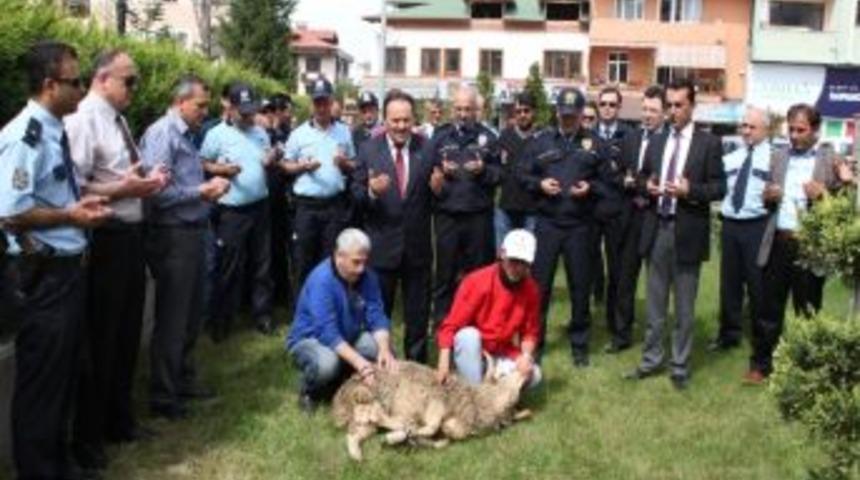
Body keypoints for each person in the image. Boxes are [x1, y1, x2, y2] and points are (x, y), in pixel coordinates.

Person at [0, 40, 113, 480]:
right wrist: (70, 214)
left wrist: (78, 204)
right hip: (42, 278)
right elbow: (10, 212)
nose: (83, 90)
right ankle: (40, 470)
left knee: (64, 374)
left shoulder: (52, 128)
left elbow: (47, 195)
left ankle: (59, 462)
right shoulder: (24, 136)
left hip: (66, 273)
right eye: (75, 82)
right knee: (42, 382)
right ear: (50, 85)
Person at [64, 48, 167, 473]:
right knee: (101, 341)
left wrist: (144, 180)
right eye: (129, 80)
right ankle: (88, 440)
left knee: (125, 337)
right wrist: (126, 191)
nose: (134, 88)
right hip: (103, 240)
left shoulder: (118, 119)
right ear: (102, 78)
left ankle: (119, 422)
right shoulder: (82, 119)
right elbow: (74, 187)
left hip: (129, 237)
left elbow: (116, 177)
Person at [625, 78, 726, 390]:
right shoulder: (657, 140)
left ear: (692, 106)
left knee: (683, 307)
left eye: (678, 105)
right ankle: (651, 360)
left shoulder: (708, 143)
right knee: (655, 306)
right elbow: (640, 177)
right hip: (657, 228)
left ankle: (679, 365)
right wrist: (648, 186)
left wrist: (690, 190)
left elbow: (719, 187)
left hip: (687, 232)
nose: (672, 111)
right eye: (669, 105)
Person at [140, 74, 231, 419]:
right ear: (180, 102)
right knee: (174, 318)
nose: (204, 112)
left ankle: (182, 379)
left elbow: (182, 181)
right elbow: (156, 192)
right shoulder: (163, 134)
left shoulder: (187, 135)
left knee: (192, 313)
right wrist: (201, 192)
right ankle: (164, 396)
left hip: (194, 231)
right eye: (200, 105)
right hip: (173, 235)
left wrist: (209, 186)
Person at [750, 103, 853, 383]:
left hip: (809, 246)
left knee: (807, 310)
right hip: (778, 242)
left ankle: (809, 369)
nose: (794, 135)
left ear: (816, 131)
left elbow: (845, 203)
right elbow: (765, 196)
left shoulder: (830, 159)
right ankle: (761, 365)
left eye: (800, 130)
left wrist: (824, 195)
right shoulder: (779, 156)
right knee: (768, 309)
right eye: (791, 129)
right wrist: (768, 196)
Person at [519, 87, 603, 367]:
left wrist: (590, 187)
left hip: (580, 226)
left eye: (573, 116)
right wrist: (539, 184)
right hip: (548, 224)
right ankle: (536, 343)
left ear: (582, 115)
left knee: (580, 288)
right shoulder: (540, 141)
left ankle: (579, 346)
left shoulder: (594, 143)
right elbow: (521, 175)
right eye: (564, 115)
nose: (568, 120)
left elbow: (609, 183)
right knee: (539, 288)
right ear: (557, 113)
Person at [352, 90, 434, 362]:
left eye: (406, 120)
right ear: (384, 120)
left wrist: (440, 189)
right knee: (378, 314)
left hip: (417, 249)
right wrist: (371, 192)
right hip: (382, 249)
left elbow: (437, 195)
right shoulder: (368, 150)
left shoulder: (427, 147)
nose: (401, 126)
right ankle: (380, 367)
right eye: (395, 120)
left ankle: (417, 369)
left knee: (418, 315)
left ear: (414, 120)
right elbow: (354, 195)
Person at [286, 228, 398, 411]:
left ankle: (345, 377)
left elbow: (376, 316)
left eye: (364, 261)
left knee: (386, 354)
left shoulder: (367, 276)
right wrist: (360, 363)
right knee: (328, 365)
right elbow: (327, 333)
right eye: (356, 262)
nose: (361, 268)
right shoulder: (322, 281)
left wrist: (384, 350)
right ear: (339, 256)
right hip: (311, 339)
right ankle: (308, 389)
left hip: (348, 335)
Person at [200, 83, 278, 339]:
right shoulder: (215, 134)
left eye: (251, 111)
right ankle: (222, 320)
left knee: (262, 265)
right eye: (242, 112)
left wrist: (270, 160)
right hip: (231, 211)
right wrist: (221, 170)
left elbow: (266, 158)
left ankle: (262, 315)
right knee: (229, 266)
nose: (247, 117)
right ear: (230, 108)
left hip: (259, 206)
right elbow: (203, 163)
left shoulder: (260, 132)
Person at [428, 85, 502, 325]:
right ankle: (442, 324)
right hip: (447, 216)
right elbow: (427, 170)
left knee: (479, 274)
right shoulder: (439, 136)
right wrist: (438, 173)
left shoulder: (489, 138)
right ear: (452, 109)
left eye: (467, 109)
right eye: (458, 109)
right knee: (444, 274)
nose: (462, 114)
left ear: (476, 110)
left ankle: (478, 324)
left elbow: (500, 175)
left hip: (477, 217)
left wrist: (483, 171)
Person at [435, 229, 542, 388]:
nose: (517, 267)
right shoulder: (477, 282)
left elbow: (530, 333)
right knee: (468, 336)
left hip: (502, 352)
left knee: (535, 375)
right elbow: (450, 326)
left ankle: (494, 390)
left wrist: (526, 357)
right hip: (474, 351)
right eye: (513, 260)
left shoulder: (532, 290)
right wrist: (443, 363)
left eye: (523, 263)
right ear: (502, 254)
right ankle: (476, 392)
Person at [281, 78, 357, 287]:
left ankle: (327, 307)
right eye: (317, 102)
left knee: (330, 261)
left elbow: (354, 163)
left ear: (332, 102)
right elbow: (285, 166)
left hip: (334, 206)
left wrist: (344, 163)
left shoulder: (343, 131)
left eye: (325, 102)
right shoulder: (298, 134)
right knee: (303, 260)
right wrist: (302, 167)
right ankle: (303, 312)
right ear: (311, 104)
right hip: (306, 207)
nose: (321, 107)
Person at [709, 107, 772, 355]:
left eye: (751, 127)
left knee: (758, 286)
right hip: (731, 225)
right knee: (730, 283)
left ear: (766, 129)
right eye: (743, 126)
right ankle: (729, 335)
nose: (746, 131)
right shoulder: (732, 157)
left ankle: (760, 339)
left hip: (757, 226)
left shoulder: (774, 159)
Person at [611, 85, 666, 353]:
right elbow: (618, 173)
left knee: (656, 282)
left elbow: (662, 179)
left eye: (653, 111)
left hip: (657, 217)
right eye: (644, 109)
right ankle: (622, 334)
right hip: (630, 216)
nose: (647, 115)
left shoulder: (670, 141)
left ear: (664, 113)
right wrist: (624, 179)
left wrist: (640, 184)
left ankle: (655, 337)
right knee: (625, 277)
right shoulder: (630, 138)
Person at [591, 86, 632, 314]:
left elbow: (632, 170)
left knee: (616, 265)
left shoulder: (628, 135)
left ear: (619, 107)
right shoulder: (588, 134)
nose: (607, 109)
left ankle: (612, 313)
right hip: (591, 208)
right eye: (603, 104)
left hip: (617, 210)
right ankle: (590, 305)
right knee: (587, 261)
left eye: (612, 104)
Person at [494, 92, 539, 248]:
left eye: (526, 111)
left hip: (532, 210)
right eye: (518, 111)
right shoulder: (504, 137)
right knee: (504, 256)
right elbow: (496, 167)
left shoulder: (542, 139)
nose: (522, 115)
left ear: (534, 112)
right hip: (505, 208)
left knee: (528, 259)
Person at [265, 93, 295, 308]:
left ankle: (283, 294)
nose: (290, 113)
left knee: (282, 248)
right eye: (286, 109)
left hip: (283, 198)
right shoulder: (262, 134)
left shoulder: (288, 133)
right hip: (267, 198)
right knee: (269, 248)